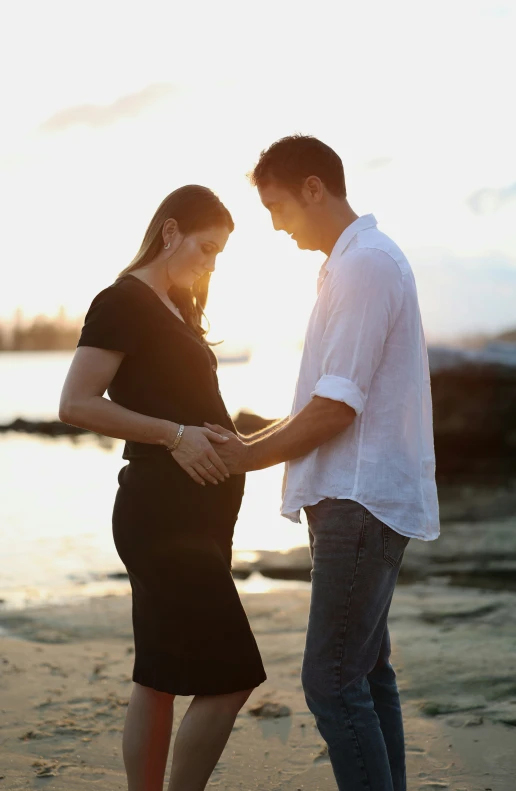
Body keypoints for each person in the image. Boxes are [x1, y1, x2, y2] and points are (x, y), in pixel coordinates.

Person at [207, 135, 440, 791]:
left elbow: (335, 409)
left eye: (278, 206)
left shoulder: (365, 265)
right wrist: (249, 440)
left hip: (358, 502)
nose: (276, 225)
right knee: (366, 671)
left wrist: (244, 458)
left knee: (331, 683)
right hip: (358, 499)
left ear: (315, 187)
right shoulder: (354, 264)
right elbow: (327, 399)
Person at [59, 185, 266, 791]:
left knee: (157, 674)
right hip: (161, 516)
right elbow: (75, 403)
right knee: (232, 676)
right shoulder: (122, 301)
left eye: (220, 253)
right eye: (206, 247)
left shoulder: (179, 309)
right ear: (169, 231)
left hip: (198, 519)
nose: (210, 262)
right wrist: (174, 436)